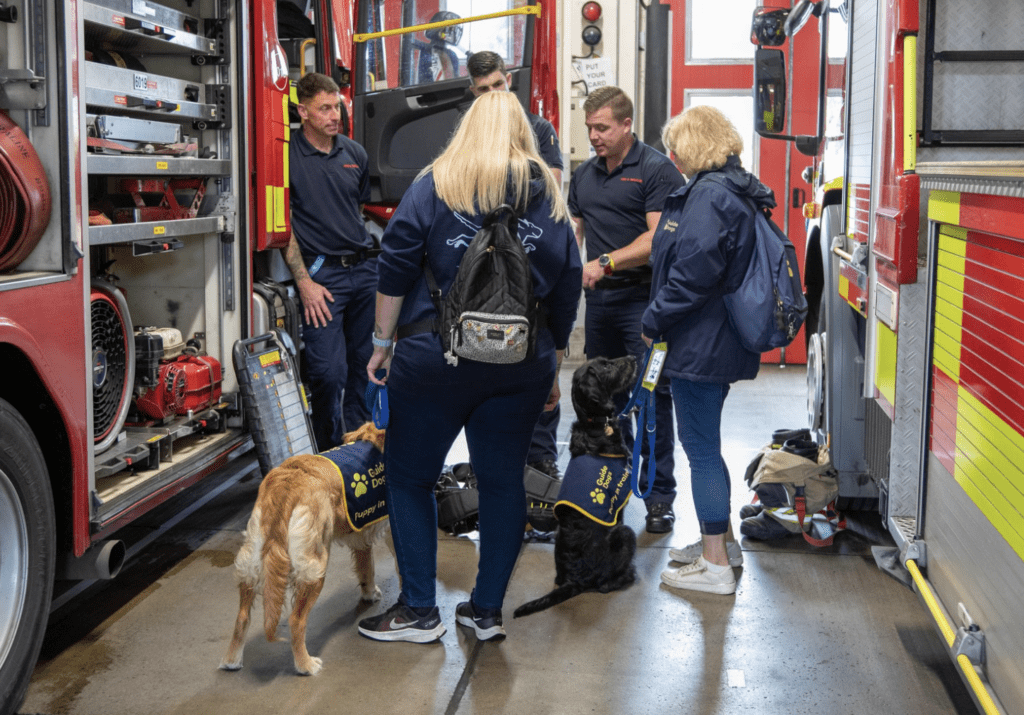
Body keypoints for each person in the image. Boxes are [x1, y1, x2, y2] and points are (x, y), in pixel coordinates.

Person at [358, 92, 582, 643]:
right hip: (519, 363)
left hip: (435, 358)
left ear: (466, 128)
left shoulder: (436, 183)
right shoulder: (548, 193)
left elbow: (395, 262)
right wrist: (552, 363)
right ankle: (485, 613)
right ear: (523, 132)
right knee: (503, 482)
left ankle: (417, 611)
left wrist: (381, 342)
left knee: (409, 479)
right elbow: (569, 284)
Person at [642, 105, 769, 595]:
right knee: (706, 447)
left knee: (700, 451)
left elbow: (692, 275)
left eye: (676, 148)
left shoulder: (709, 198)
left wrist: (652, 320)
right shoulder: (732, 190)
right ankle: (724, 544)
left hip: (699, 343)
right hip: (716, 339)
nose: (672, 157)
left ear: (689, 148)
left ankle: (715, 564)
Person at [567, 86, 684, 533]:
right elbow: (574, 230)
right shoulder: (585, 175)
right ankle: (611, 484)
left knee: (652, 398)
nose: (594, 136)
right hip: (599, 304)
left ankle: (658, 495)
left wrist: (607, 261)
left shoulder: (655, 170)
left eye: (602, 127)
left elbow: (659, 239)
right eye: (589, 127)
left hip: (643, 302)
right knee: (605, 400)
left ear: (626, 124)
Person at [466, 49, 564, 481]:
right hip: (485, 265)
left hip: (530, 253)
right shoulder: (470, 134)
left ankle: (541, 458)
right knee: (484, 358)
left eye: (498, 86)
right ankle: (490, 457)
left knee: (536, 357)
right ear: (473, 90)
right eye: (483, 89)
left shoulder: (538, 129)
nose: (491, 94)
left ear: (510, 81)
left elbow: (555, 187)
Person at [282, 72, 376, 451]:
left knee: (368, 366)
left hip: (366, 272)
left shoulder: (354, 153)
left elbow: (358, 207)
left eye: (336, 106)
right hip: (323, 277)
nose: (334, 115)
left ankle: (359, 446)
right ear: (303, 111)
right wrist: (304, 281)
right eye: (324, 108)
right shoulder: (287, 155)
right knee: (327, 373)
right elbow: (282, 224)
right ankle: (327, 450)